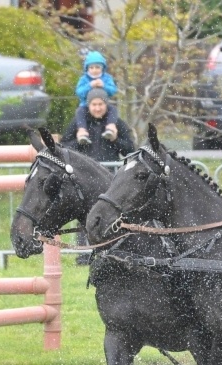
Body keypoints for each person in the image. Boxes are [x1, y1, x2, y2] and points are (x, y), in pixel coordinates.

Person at [63, 88, 136, 264]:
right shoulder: (78, 123)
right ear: (88, 105)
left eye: (100, 104)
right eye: (94, 104)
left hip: (108, 179)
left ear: (106, 104)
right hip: (84, 179)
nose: (97, 108)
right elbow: (64, 147)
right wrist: (78, 142)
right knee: (84, 215)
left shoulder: (117, 123)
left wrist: (116, 140)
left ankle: (109, 250)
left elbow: (131, 149)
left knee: (109, 214)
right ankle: (84, 253)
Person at [74, 51, 119, 146]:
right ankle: (82, 132)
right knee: (79, 112)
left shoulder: (107, 78)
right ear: (87, 69)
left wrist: (104, 86)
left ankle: (110, 127)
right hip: (85, 105)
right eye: (91, 67)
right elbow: (79, 92)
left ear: (102, 68)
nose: (94, 70)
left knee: (113, 110)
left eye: (97, 67)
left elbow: (113, 90)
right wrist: (89, 86)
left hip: (105, 105)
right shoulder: (84, 79)